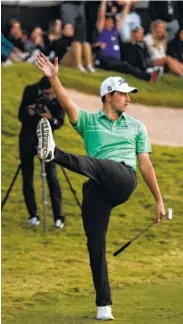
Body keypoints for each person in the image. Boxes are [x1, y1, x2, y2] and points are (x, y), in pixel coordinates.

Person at [35, 52, 166, 320]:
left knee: (102, 165)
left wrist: (159, 200)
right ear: (108, 96)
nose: (128, 99)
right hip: (97, 186)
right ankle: (104, 306)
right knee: (95, 245)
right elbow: (67, 102)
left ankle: (54, 154)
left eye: (128, 95)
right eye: (123, 94)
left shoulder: (136, 126)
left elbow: (145, 165)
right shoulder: (89, 122)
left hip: (123, 178)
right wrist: (54, 78)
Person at [18, 76, 65, 228]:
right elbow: (21, 116)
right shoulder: (30, 90)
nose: (50, 96)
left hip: (46, 138)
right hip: (27, 138)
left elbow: (59, 122)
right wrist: (31, 111)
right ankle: (32, 215)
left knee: (52, 176)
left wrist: (49, 118)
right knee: (27, 177)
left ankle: (58, 216)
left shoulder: (58, 95)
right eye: (48, 94)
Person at [94, 0, 158, 82]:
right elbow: (101, 15)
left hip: (115, 60)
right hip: (105, 60)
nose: (110, 22)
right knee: (125, 66)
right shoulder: (102, 30)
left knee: (126, 66)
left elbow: (122, 18)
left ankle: (148, 74)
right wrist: (103, 2)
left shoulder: (114, 31)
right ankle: (148, 77)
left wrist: (127, 5)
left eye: (111, 21)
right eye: (108, 20)